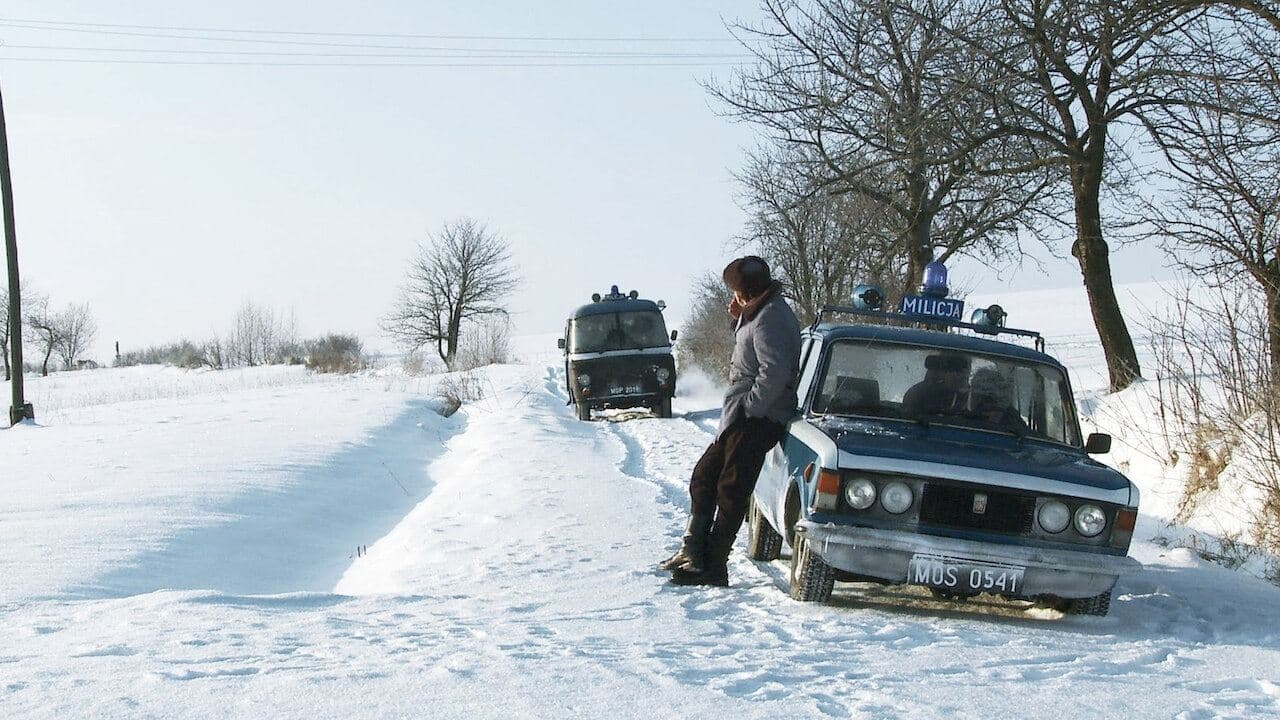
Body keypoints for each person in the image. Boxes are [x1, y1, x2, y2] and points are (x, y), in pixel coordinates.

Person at [658, 256, 801, 587]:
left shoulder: (770, 319)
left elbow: (774, 371)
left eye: (736, 290)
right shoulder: (759, 314)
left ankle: (713, 564)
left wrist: (751, 409)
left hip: (759, 417)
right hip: (742, 415)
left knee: (732, 488)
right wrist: (740, 318)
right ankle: (692, 551)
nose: (733, 296)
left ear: (746, 292)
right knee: (705, 475)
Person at [901, 353, 970, 418]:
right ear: (941, 371)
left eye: (964, 369)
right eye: (954, 370)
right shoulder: (918, 393)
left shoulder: (973, 397)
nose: (960, 375)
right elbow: (908, 421)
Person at [966, 366, 1029, 435]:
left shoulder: (1016, 426)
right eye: (978, 394)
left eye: (991, 398)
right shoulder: (958, 418)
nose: (985, 404)